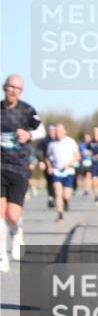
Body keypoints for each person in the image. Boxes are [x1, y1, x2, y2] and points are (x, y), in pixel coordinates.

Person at [1, 74, 45, 272]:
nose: (13, 91)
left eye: (17, 88)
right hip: (1, 165)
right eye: (10, 87)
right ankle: (2, 256)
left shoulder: (27, 110)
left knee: (12, 214)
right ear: (4, 87)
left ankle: (17, 231)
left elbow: (42, 130)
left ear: (21, 91)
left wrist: (29, 134)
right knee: (0, 213)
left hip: (19, 166)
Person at [46, 124, 79, 223]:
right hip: (56, 171)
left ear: (65, 131)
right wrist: (49, 167)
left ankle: (66, 201)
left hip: (68, 171)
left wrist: (69, 164)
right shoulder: (52, 144)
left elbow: (77, 156)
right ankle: (60, 214)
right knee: (57, 192)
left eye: (60, 131)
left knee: (66, 195)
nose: (58, 133)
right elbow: (47, 157)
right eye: (56, 131)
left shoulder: (70, 141)